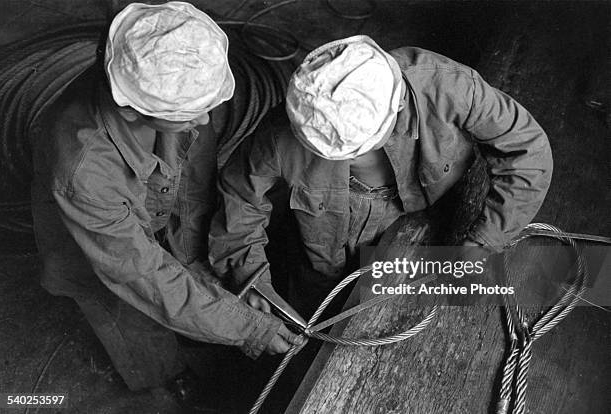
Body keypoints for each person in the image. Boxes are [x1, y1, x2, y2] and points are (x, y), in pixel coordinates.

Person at [30, 1, 301, 405]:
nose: (206, 121)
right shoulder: (83, 171)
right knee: (131, 316)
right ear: (133, 107)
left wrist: (199, 269)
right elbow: (141, 276)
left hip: (144, 208)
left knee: (184, 284)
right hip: (94, 251)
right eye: (190, 115)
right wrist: (247, 327)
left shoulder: (169, 85)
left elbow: (192, 189)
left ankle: (196, 320)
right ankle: (166, 373)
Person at [208, 35, 553, 315]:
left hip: (429, 223)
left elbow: (529, 151)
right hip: (324, 252)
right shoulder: (285, 132)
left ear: (399, 103)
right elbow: (239, 200)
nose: (354, 158)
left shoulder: (447, 86)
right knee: (312, 321)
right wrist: (252, 279)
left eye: (358, 148)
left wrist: (483, 240)